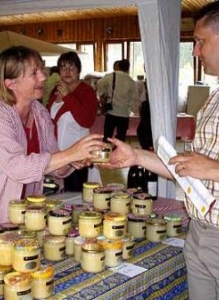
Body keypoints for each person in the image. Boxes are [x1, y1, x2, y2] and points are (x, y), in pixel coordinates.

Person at [98, 2, 219, 299]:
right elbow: (186, 168)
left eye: (200, 41)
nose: (195, 51)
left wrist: (213, 169)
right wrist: (136, 156)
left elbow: (205, 168)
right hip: (200, 231)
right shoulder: (212, 100)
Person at [0, 46, 104, 239]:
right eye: (34, 73)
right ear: (11, 83)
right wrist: (70, 154)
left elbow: (54, 165)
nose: (43, 77)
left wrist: (73, 160)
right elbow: (18, 168)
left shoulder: (39, 112)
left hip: (12, 217)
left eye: (42, 70)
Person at [46, 51, 99, 192]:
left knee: (76, 196)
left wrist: (68, 96)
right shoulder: (56, 91)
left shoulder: (87, 91)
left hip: (78, 154)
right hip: (58, 153)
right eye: (63, 67)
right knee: (59, 196)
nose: (67, 71)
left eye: (71, 67)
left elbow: (87, 121)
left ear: (78, 70)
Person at [97, 59, 138, 142]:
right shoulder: (132, 81)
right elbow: (134, 98)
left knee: (107, 137)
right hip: (124, 114)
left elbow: (99, 83)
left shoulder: (111, 76)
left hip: (111, 111)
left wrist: (103, 93)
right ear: (128, 68)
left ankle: (106, 153)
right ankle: (119, 153)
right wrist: (133, 110)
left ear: (118, 66)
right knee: (121, 139)